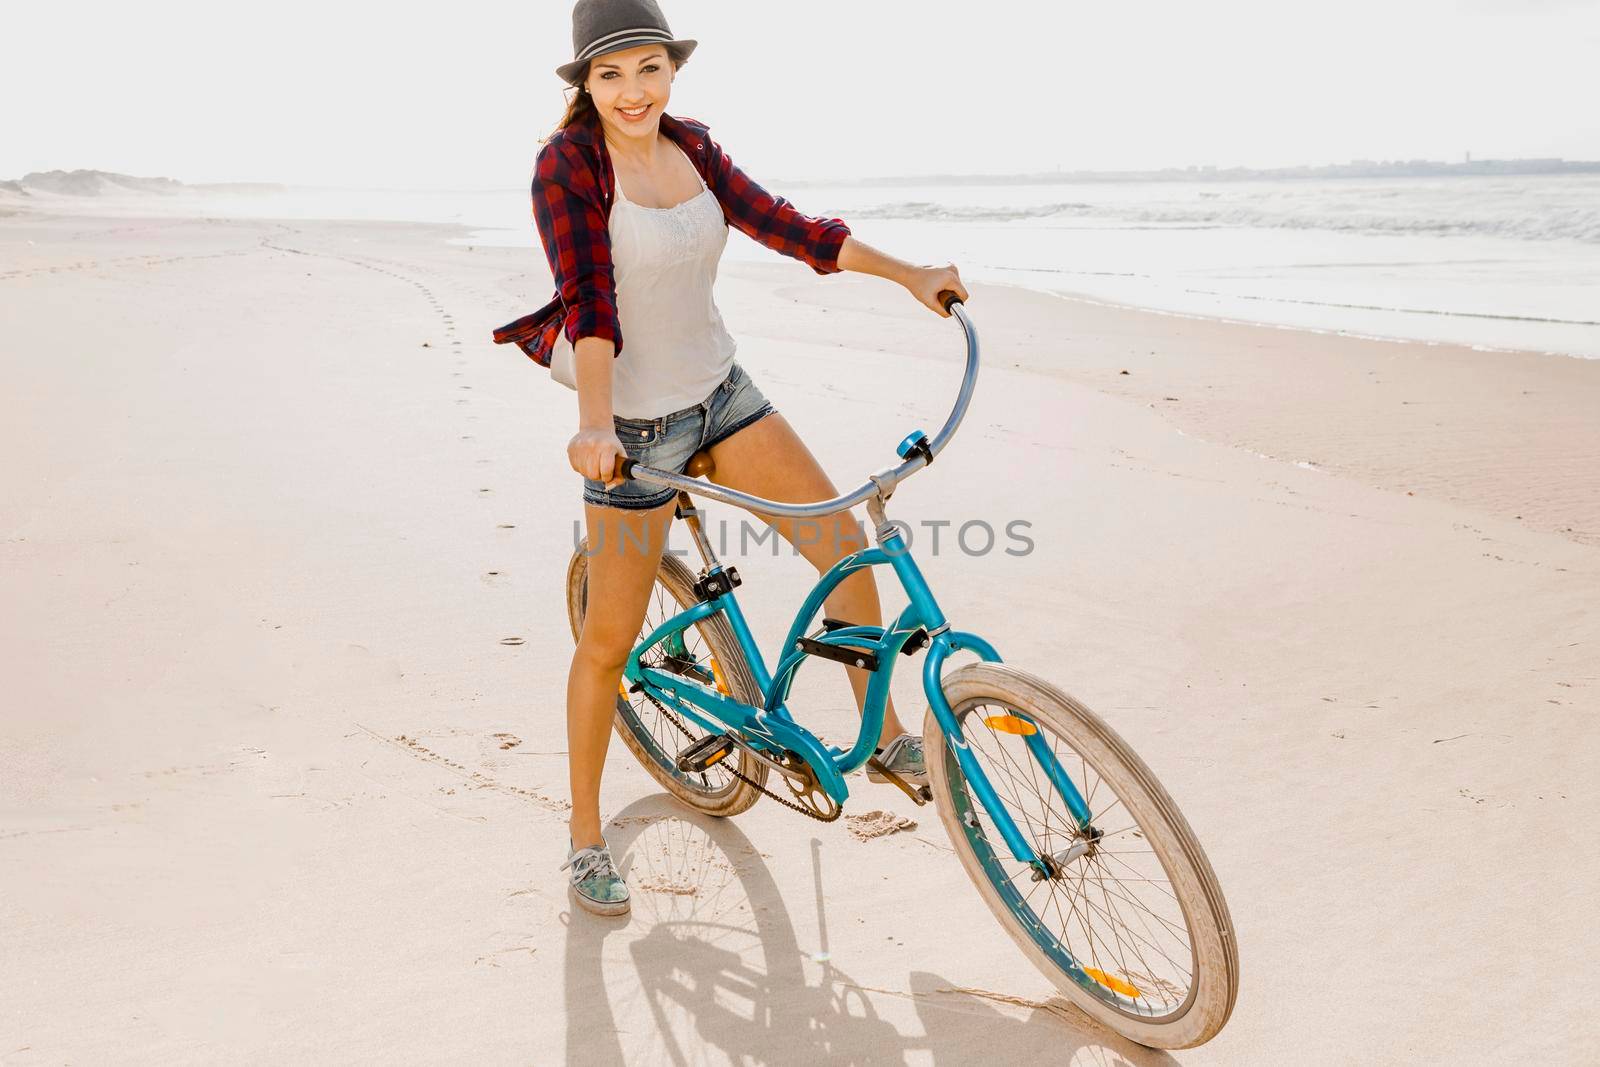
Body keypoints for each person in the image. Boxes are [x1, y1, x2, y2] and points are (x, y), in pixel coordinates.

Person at [518, 0, 969, 917]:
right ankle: (582, 837)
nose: (632, 91)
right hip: (635, 425)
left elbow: (794, 229)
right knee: (607, 644)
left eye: (647, 68)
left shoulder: (695, 148)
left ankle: (879, 736)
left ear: (671, 70)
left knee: (843, 541)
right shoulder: (568, 167)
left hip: (724, 393)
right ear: (586, 86)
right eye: (610, 75)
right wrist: (597, 425)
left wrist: (912, 274)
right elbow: (588, 303)